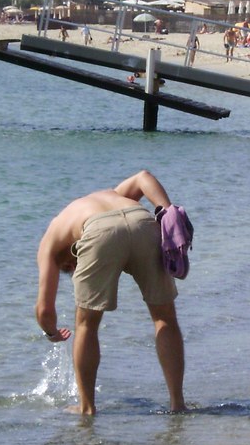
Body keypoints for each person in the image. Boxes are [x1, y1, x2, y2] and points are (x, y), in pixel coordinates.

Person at [35, 170, 186, 414]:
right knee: (164, 317)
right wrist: (167, 211)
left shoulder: (49, 243)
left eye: (73, 267)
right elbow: (143, 177)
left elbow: (44, 309)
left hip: (98, 231)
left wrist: (51, 332)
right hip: (142, 221)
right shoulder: (111, 195)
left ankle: (86, 407)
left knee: (86, 324)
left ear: (68, 263)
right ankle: (178, 404)